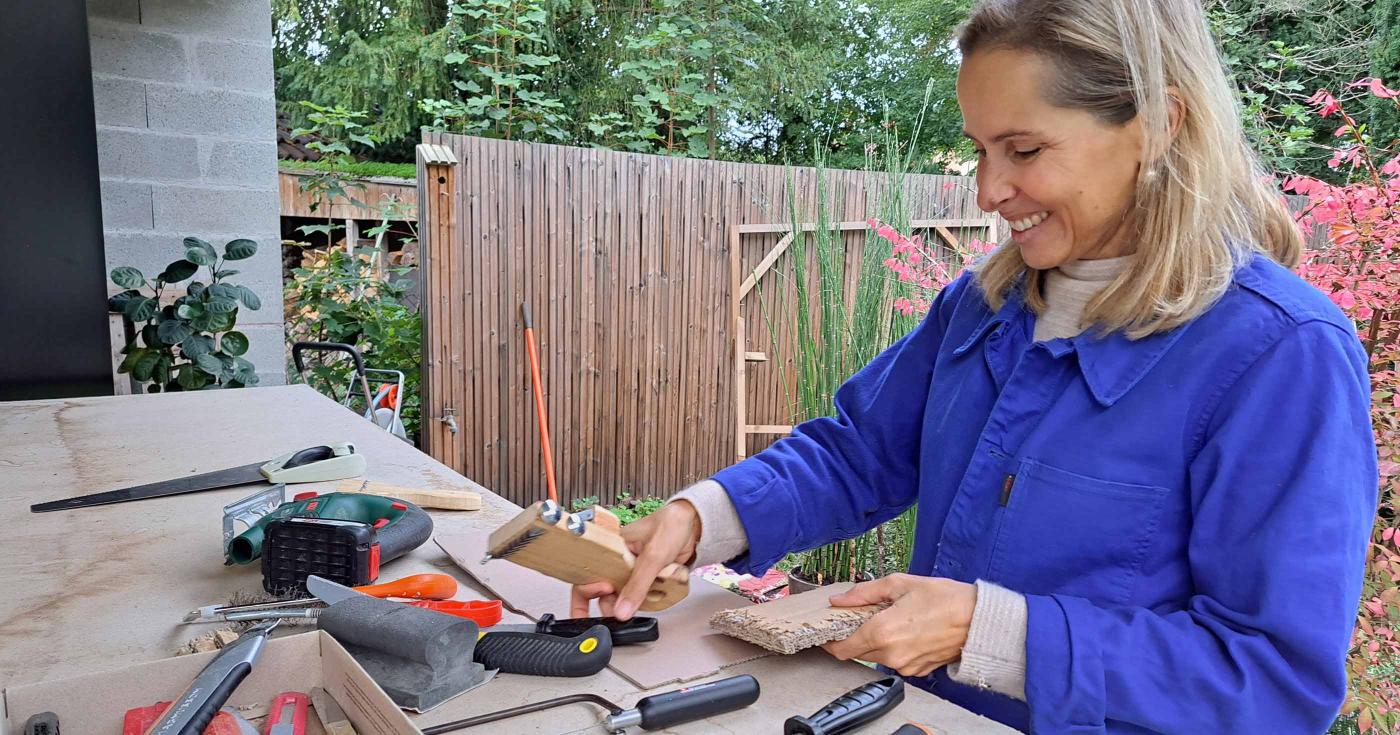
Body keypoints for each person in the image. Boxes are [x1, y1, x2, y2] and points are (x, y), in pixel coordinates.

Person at [572, 0, 1379, 731]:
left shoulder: (1283, 354)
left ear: (1160, 124)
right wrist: (699, 519)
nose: (990, 189)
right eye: (980, 149)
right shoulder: (980, 305)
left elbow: (1272, 680)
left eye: (1023, 149)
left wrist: (987, 630)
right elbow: (857, 454)